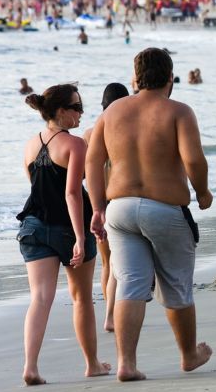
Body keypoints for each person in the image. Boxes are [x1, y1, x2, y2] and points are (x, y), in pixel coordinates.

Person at [86, 48, 213, 381]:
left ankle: (126, 363)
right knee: (176, 286)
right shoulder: (179, 111)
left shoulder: (112, 112)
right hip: (164, 209)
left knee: (130, 284)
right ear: (170, 78)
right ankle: (188, 356)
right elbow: (194, 160)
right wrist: (202, 191)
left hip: (119, 209)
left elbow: (93, 161)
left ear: (135, 77)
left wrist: (97, 206)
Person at [16, 84, 111, 385]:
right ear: (60, 111)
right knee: (81, 297)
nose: (81, 112)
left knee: (40, 298)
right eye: (76, 107)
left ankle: (30, 367)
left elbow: (36, 187)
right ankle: (92, 364)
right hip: (69, 228)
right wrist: (81, 238)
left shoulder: (31, 143)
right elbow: (71, 194)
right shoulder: (75, 145)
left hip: (32, 226)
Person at [83, 82, 130, 332]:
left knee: (107, 263)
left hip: (97, 203)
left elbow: (80, 172)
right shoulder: (128, 128)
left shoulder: (90, 133)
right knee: (123, 264)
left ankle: (110, 314)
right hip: (121, 198)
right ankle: (115, 312)